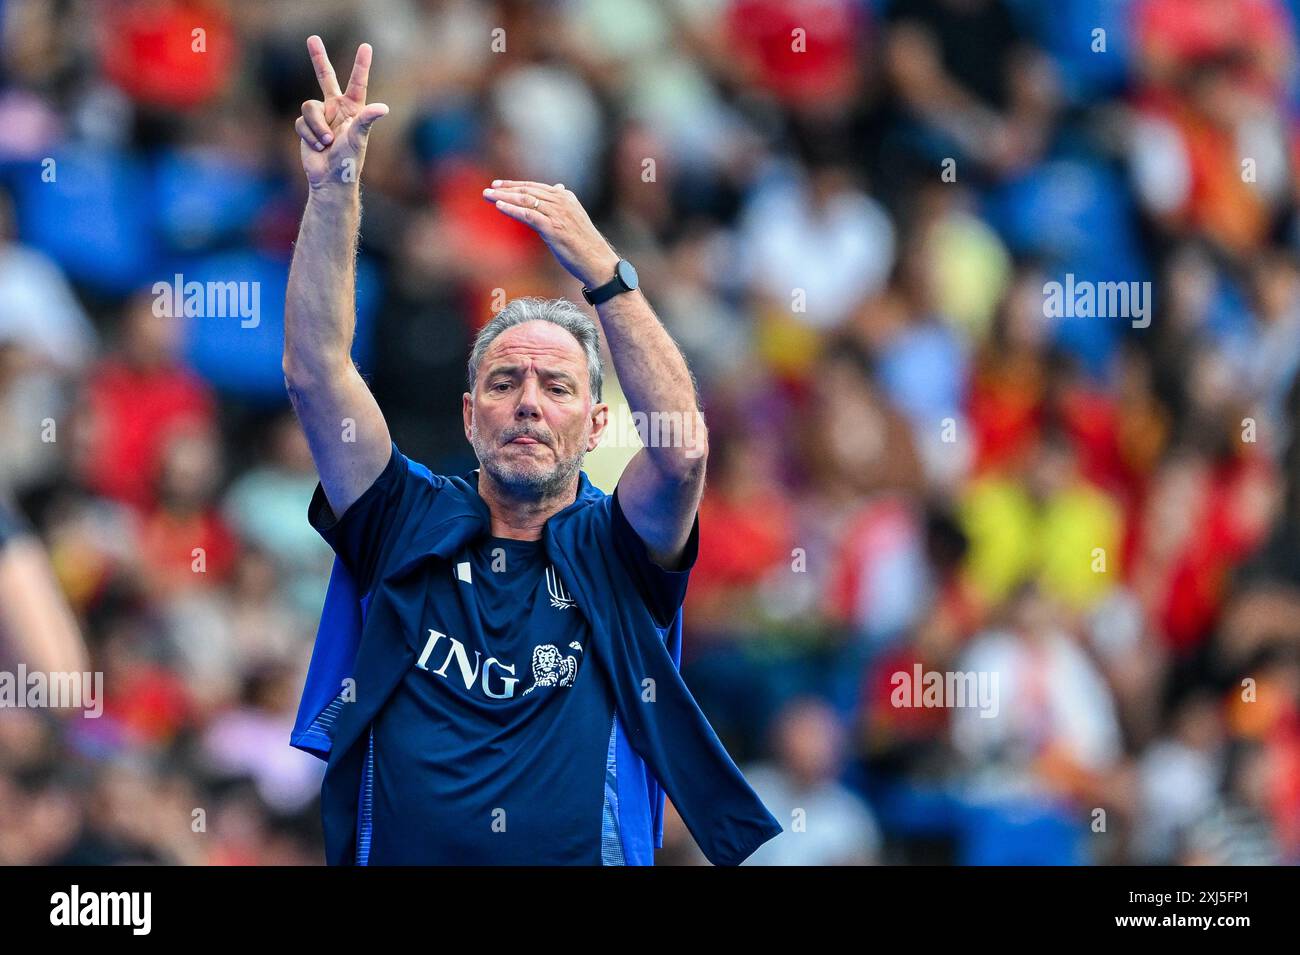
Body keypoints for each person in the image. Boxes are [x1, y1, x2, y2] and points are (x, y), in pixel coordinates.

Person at [282, 37, 778, 865]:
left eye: (557, 387)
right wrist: (334, 189)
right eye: (506, 382)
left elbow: (684, 452)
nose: (529, 404)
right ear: (470, 416)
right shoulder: (403, 515)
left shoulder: (617, 546)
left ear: (594, 428)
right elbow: (315, 373)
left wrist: (605, 274)